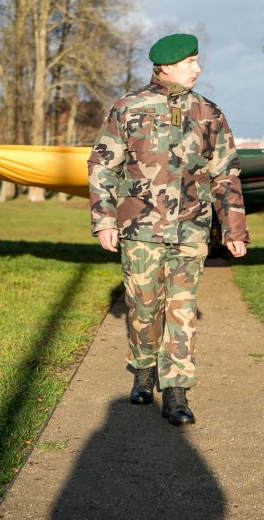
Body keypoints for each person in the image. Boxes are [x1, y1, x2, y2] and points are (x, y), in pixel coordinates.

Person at [88, 33, 249, 426]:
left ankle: (176, 390)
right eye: (191, 61)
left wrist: (233, 228)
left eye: (197, 61)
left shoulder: (208, 112)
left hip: (191, 228)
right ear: (167, 65)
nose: (198, 68)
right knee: (143, 305)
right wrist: (105, 219)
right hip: (140, 227)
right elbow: (102, 166)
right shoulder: (128, 107)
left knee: (181, 308)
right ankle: (144, 371)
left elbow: (225, 173)